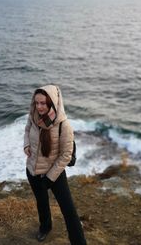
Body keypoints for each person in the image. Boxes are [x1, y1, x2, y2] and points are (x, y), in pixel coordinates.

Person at [23, 85, 87, 244]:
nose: (39, 107)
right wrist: (26, 145)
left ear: (52, 102)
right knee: (42, 202)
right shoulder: (33, 116)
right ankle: (45, 227)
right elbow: (27, 130)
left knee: (69, 211)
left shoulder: (63, 125)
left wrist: (50, 178)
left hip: (55, 174)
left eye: (43, 103)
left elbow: (66, 155)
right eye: (37, 103)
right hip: (33, 170)